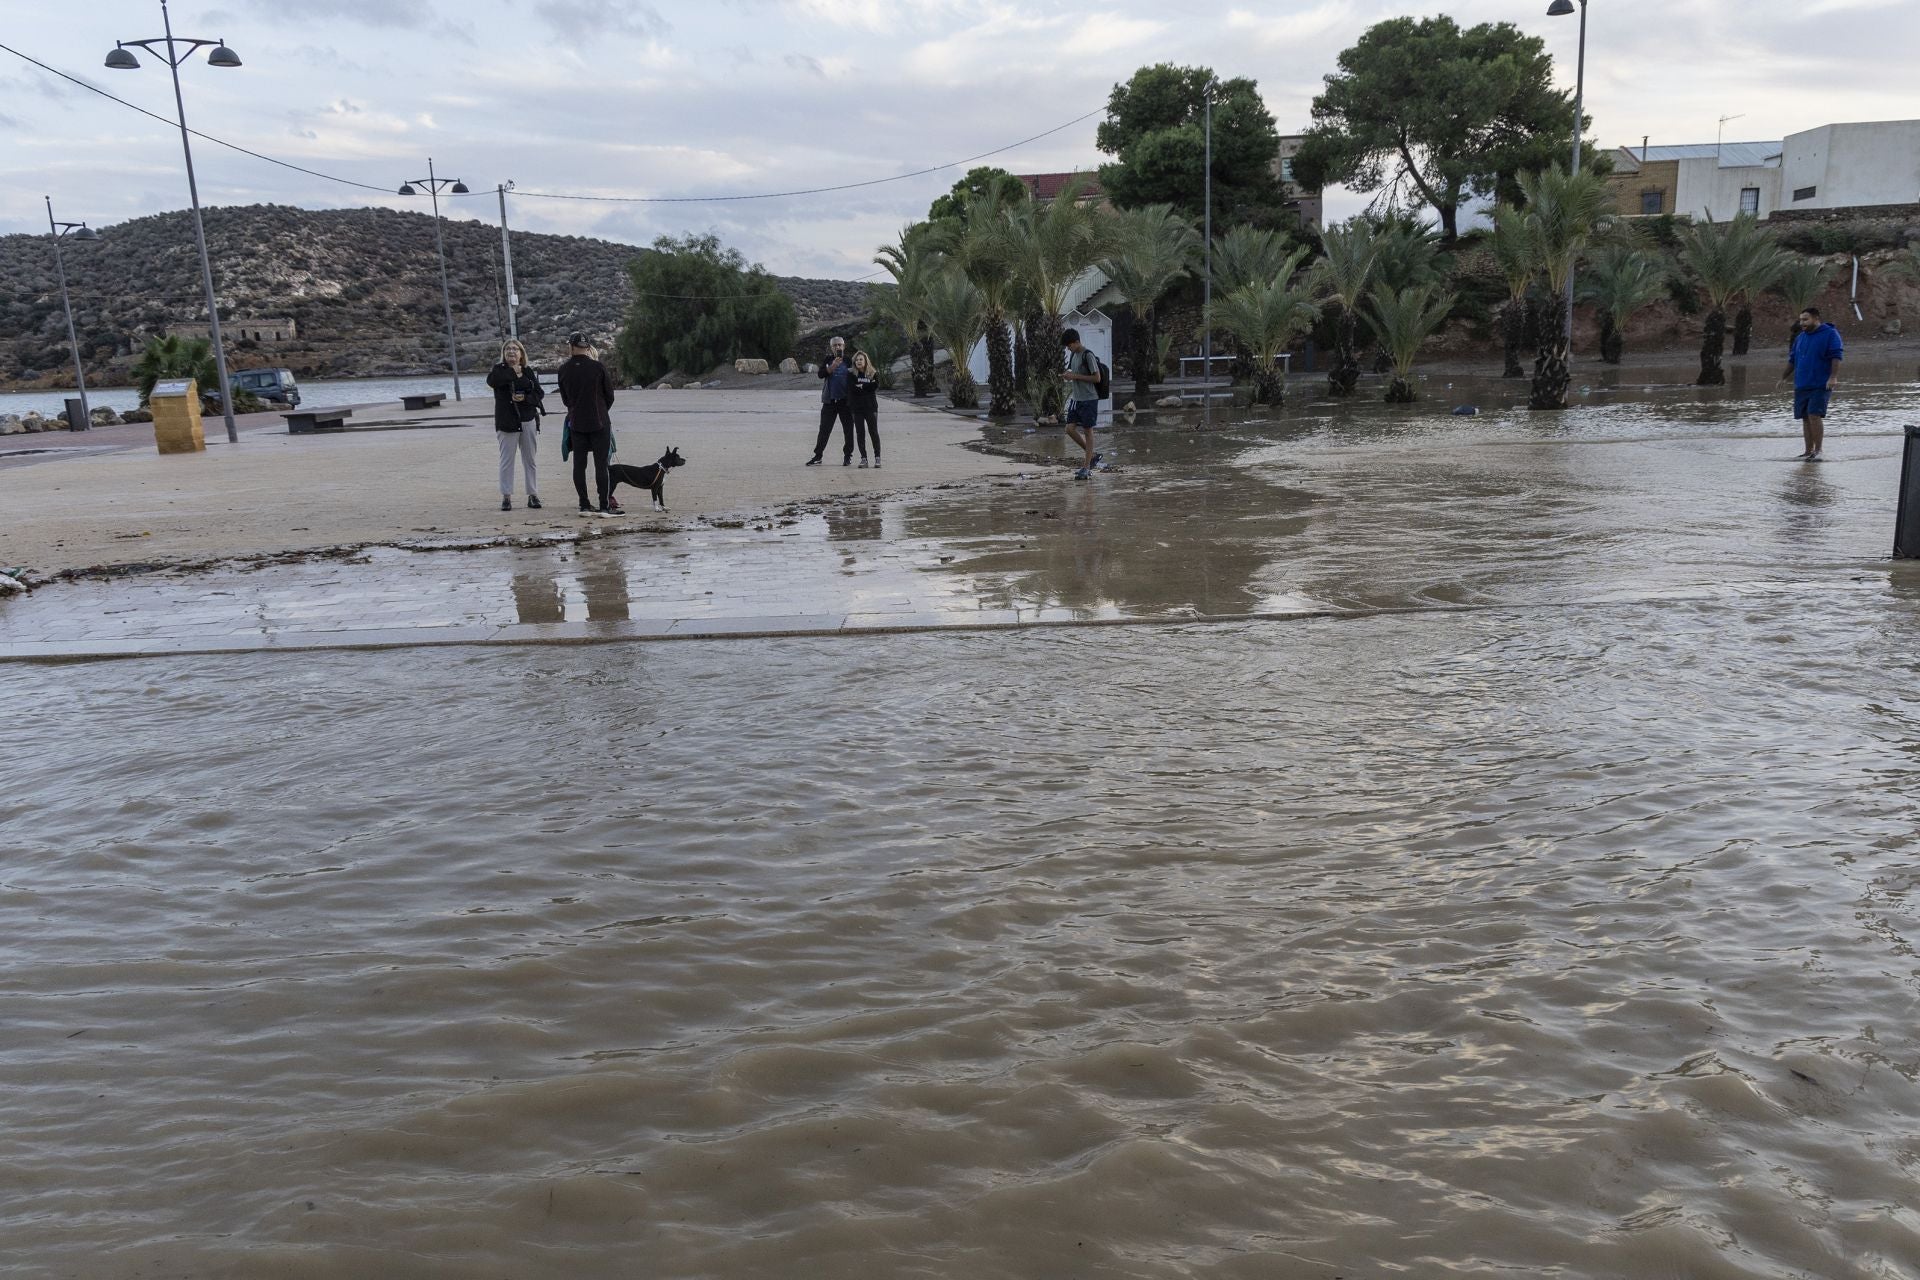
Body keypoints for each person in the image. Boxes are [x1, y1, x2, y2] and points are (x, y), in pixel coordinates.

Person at [557, 331, 617, 513]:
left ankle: (584, 504)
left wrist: (577, 408)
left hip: (576, 421)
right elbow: (610, 396)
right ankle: (604, 506)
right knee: (601, 464)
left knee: (579, 465)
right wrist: (600, 409)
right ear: (588, 348)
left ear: (571, 347)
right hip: (599, 420)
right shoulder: (598, 367)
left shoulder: (563, 370)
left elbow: (565, 399)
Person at [486, 339, 544, 510]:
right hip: (507, 422)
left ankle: (533, 495)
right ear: (504, 353)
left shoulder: (528, 371)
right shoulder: (498, 370)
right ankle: (506, 497)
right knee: (506, 461)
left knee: (530, 460)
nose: (511, 351)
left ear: (521, 353)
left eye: (515, 349)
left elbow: (539, 393)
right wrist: (513, 372)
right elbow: (492, 382)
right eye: (508, 349)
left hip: (527, 420)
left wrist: (525, 398)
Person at [1783, 307, 1843, 461]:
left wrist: (1833, 377)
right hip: (1802, 384)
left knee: (1814, 415)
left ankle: (1819, 450)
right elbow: (1792, 360)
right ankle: (1808, 451)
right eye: (1801, 319)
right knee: (1804, 417)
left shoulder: (1830, 334)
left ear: (1816, 318)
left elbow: (1836, 356)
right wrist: (1783, 378)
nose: (1802, 323)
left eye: (1805, 319)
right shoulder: (1800, 337)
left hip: (1821, 383)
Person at [1061, 328, 1104, 480]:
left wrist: (1075, 376)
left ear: (1077, 341)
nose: (1068, 348)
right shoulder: (1074, 354)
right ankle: (1092, 455)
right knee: (1069, 429)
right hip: (1076, 399)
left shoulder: (1088, 355)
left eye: (1069, 345)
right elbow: (1074, 372)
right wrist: (1068, 375)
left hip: (1089, 399)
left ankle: (1086, 467)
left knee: (1088, 431)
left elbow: (1097, 378)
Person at [808, 336, 856, 466]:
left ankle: (848, 456)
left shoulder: (849, 360)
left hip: (846, 402)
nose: (838, 347)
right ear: (831, 347)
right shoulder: (828, 360)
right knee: (824, 429)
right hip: (830, 401)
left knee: (848, 430)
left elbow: (857, 376)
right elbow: (820, 374)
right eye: (835, 345)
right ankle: (818, 456)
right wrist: (832, 366)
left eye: (840, 345)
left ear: (844, 346)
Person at [849, 350, 881, 468]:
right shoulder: (851, 374)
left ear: (865, 360)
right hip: (857, 409)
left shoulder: (872, 373)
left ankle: (877, 458)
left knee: (873, 432)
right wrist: (867, 387)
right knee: (860, 433)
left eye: (861, 359)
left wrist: (862, 386)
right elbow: (852, 389)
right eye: (856, 360)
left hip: (871, 407)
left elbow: (875, 386)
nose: (858, 361)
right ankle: (864, 459)